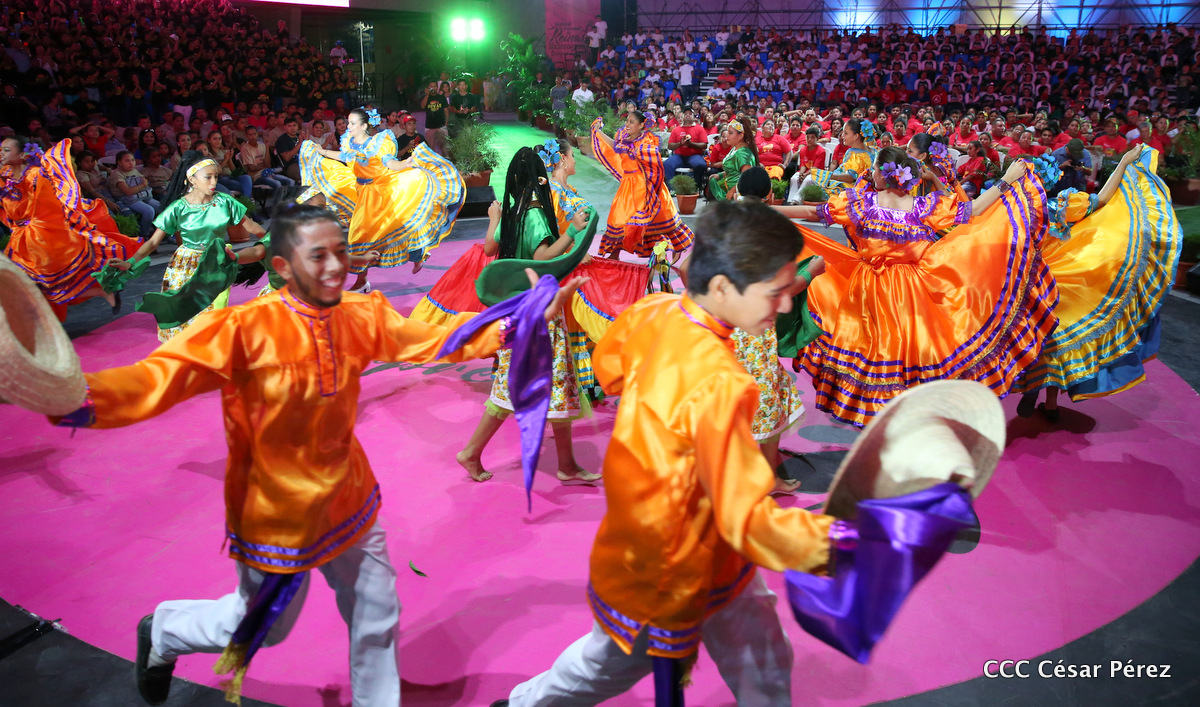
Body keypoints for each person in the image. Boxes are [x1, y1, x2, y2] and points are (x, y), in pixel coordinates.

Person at [33, 203, 584, 707]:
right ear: (282, 266)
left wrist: (520, 320)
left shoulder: (360, 314)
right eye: (318, 256)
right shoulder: (240, 329)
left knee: (377, 613)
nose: (336, 266)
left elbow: (433, 340)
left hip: (349, 495)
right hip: (276, 511)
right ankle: (166, 630)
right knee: (263, 627)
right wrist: (63, 393)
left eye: (341, 252)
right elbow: (153, 381)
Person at [490, 201, 839, 707]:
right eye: (774, 291)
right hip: (672, 560)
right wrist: (853, 542)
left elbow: (610, 367)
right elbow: (748, 519)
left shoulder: (654, 310)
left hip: (679, 539)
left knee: (761, 656)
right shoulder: (722, 383)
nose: (786, 306)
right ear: (723, 288)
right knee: (611, 663)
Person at [777, 146, 1058, 426]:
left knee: (871, 350)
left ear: (884, 174)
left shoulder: (863, 203)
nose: (871, 173)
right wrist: (1006, 180)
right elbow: (974, 209)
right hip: (909, 290)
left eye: (874, 169)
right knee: (908, 351)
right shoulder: (923, 207)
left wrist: (771, 210)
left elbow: (813, 212)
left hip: (868, 287)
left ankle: (879, 417)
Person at [456, 147, 599, 484]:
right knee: (525, 383)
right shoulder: (534, 212)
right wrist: (572, 232)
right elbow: (542, 257)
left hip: (517, 307)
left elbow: (490, 249)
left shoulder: (513, 211)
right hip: (538, 311)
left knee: (554, 382)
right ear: (540, 178)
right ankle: (472, 452)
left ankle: (566, 463)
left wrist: (493, 220)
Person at [1015, 147, 1182, 421]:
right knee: (1060, 338)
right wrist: (1124, 163)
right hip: (1065, 279)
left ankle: (1032, 385)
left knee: (1038, 335)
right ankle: (1051, 402)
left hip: (1032, 280)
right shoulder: (1063, 205)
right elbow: (1103, 198)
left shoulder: (1015, 210)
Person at [112, 151, 267, 342]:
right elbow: (152, 242)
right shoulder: (179, 208)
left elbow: (250, 226)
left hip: (216, 262)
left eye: (216, 176)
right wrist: (130, 262)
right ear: (192, 179)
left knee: (212, 317)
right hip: (185, 264)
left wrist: (272, 239)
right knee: (182, 317)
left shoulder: (225, 201)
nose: (213, 182)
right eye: (208, 177)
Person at [304, 107, 465, 290]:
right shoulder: (350, 141)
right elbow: (344, 156)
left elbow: (390, 163)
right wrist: (322, 152)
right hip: (359, 189)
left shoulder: (379, 143)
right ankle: (374, 275)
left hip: (379, 193)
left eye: (352, 123)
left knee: (365, 234)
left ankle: (366, 278)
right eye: (348, 123)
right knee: (372, 233)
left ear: (364, 126)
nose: (348, 126)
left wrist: (405, 164)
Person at [1, 139, 136, 319]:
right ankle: (100, 293)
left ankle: (38, 324)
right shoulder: (5, 175)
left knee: (44, 286)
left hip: (40, 236)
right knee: (40, 287)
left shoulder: (35, 175)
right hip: (19, 238)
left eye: (6, 150)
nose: (1, 153)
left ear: (21, 154)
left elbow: (52, 202)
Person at [590, 113, 694, 260]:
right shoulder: (624, 137)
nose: (627, 124)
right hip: (628, 186)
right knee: (619, 219)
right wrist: (598, 132)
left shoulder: (646, 142)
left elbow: (655, 164)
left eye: (631, 122)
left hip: (646, 186)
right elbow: (615, 145)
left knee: (657, 221)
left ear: (640, 125)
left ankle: (673, 248)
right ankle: (615, 253)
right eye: (627, 121)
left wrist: (650, 188)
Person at [787, 117, 876, 204]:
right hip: (863, 188)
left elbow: (850, 177)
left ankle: (795, 203)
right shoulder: (874, 150)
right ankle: (795, 201)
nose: (842, 136)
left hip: (850, 188)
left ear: (856, 136)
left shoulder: (856, 154)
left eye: (846, 133)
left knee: (814, 180)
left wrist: (830, 176)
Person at [106, 150, 160, 237]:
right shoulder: (117, 174)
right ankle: (144, 234)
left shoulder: (134, 170)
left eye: (132, 160)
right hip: (126, 199)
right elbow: (128, 191)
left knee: (162, 207)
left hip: (140, 195)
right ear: (119, 163)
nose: (131, 163)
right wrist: (143, 185)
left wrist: (143, 185)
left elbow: (145, 181)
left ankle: (163, 234)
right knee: (149, 211)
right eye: (127, 161)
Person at [708, 117, 758, 200]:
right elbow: (734, 169)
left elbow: (747, 178)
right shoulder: (735, 148)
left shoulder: (743, 153)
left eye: (730, 133)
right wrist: (720, 175)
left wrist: (732, 191)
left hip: (739, 195)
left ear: (740, 136)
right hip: (732, 192)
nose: (727, 136)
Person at [663, 107, 708, 190]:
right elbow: (670, 146)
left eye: (690, 114)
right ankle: (672, 189)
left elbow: (704, 145)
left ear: (693, 117)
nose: (688, 115)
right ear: (682, 116)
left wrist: (691, 144)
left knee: (701, 165)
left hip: (694, 155)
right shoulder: (676, 129)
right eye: (685, 114)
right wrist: (680, 144)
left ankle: (695, 188)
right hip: (679, 156)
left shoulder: (699, 128)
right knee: (667, 164)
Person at [423, 84, 449, 155]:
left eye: (434, 86)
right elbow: (422, 106)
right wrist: (427, 95)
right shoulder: (426, 97)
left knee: (445, 148)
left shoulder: (441, 97)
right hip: (429, 126)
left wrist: (446, 124)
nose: (433, 88)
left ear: (437, 87)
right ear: (428, 87)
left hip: (441, 126)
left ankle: (445, 161)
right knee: (430, 149)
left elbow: (446, 111)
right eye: (431, 86)